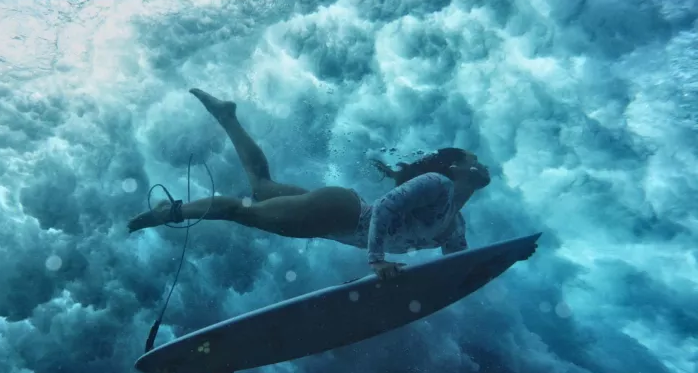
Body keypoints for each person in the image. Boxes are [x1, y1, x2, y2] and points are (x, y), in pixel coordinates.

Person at [127, 89, 491, 280]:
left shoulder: (455, 225)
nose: (482, 165)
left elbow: (455, 267)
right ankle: (170, 212)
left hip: (339, 214)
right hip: (338, 214)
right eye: (474, 161)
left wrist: (504, 261)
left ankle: (227, 117)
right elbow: (386, 209)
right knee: (241, 213)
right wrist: (377, 261)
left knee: (261, 187)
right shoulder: (437, 183)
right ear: (455, 167)